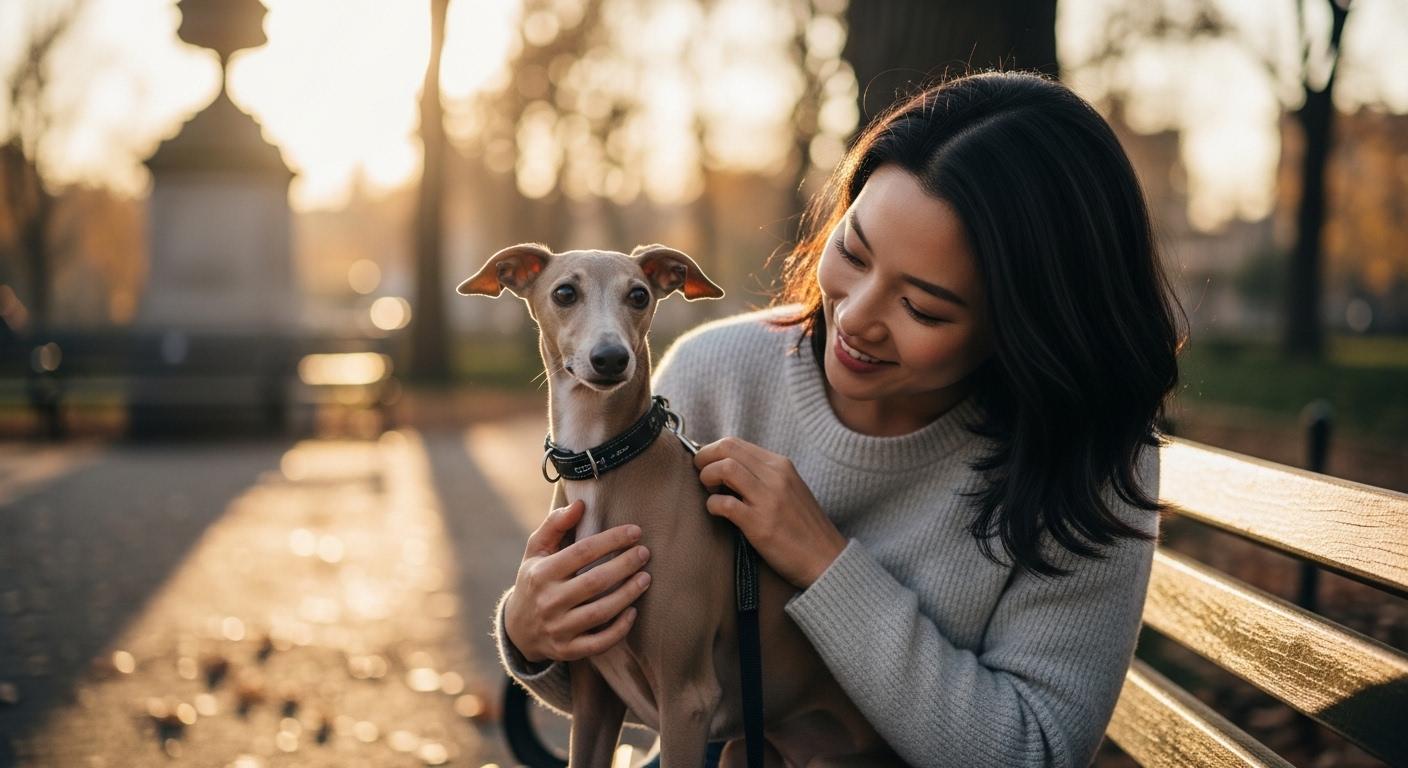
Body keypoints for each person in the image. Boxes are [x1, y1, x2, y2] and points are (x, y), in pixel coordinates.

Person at [492, 70, 1183, 767]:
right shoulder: (716, 372)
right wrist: (530, 631)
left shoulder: (1091, 459)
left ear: (1030, 325)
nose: (854, 318)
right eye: (852, 251)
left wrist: (826, 564)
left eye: (924, 307)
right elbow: (644, 674)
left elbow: (1033, 751)